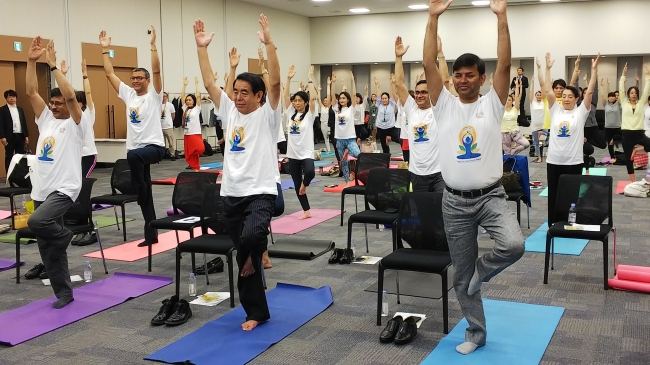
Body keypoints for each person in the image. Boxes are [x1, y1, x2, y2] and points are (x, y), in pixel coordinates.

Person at [423, 0, 524, 355]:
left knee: (514, 245)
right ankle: (476, 333)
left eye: (470, 75)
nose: (463, 80)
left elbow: (506, 63)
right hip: (453, 201)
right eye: (458, 75)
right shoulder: (444, 104)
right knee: (461, 276)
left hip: (491, 196)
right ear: (453, 78)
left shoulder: (492, 104)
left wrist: (501, 17)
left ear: (482, 79)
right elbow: (426, 64)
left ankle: (483, 268)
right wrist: (432, 18)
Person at [195, 14, 280, 331]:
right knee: (244, 250)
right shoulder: (229, 110)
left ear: (258, 96)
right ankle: (256, 311)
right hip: (230, 192)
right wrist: (201, 48)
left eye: (245, 92)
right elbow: (208, 82)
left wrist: (269, 44)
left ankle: (250, 259)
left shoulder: (269, 115)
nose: (239, 97)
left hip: (260, 191)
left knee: (251, 237)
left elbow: (274, 82)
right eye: (237, 91)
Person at [25, 37, 86, 309]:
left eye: (59, 102)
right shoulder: (46, 119)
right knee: (47, 247)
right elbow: (30, 93)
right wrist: (30, 61)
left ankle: (64, 235)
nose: (55, 106)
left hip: (65, 188)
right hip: (41, 188)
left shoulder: (76, 124)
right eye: (53, 102)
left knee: (38, 222)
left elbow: (72, 96)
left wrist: (52, 66)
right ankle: (64, 293)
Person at [100, 27, 167, 247]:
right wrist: (105, 50)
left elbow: (157, 71)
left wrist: (153, 46)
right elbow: (109, 74)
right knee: (145, 195)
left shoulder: (154, 96)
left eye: (140, 78)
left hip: (154, 147)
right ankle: (151, 234)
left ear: (147, 80)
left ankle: (138, 190)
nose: (135, 81)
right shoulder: (129, 94)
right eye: (133, 78)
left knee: (135, 160)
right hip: (136, 152)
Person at [544, 52, 599, 225]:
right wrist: (547, 68)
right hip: (554, 160)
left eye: (570, 96)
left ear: (577, 99)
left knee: (572, 195)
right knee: (553, 194)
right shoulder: (556, 110)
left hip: (573, 162)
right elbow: (547, 90)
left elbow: (589, 92)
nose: (566, 98)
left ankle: (570, 222)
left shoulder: (580, 112)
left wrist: (594, 71)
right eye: (564, 96)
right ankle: (553, 223)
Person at [394, 36, 444, 192]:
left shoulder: (438, 109)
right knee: (423, 212)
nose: (419, 95)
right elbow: (399, 83)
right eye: (417, 92)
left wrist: (440, 53)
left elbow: (443, 80)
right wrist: (398, 58)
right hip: (417, 173)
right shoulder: (411, 108)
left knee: (441, 211)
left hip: (439, 173)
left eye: (424, 92)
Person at [284, 65, 316, 220]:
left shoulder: (309, 115)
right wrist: (288, 79)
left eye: (299, 101)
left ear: (305, 102)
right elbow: (285, 98)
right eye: (295, 100)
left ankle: (305, 185)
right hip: (293, 154)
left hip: (306, 152)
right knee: (296, 182)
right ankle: (306, 210)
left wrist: (310, 77)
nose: (296, 103)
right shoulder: (291, 113)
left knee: (310, 172)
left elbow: (314, 98)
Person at [619, 62, 650, 182]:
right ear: (628, 94)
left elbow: (647, 90)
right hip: (627, 133)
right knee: (628, 159)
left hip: (639, 133)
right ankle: (633, 181)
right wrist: (623, 75)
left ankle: (636, 150)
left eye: (636, 93)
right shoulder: (624, 102)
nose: (634, 95)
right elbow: (621, 89)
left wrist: (648, 76)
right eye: (631, 93)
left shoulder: (641, 103)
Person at [330, 71, 361, 185]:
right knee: (343, 162)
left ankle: (358, 174)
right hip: (340, 139)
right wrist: (333, 83)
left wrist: (352, 81)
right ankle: (347, 181)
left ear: (348, 100)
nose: (341, 100)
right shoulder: (337, 109)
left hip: (350, 139)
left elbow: (353, 94)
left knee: (359, 155)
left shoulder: (351, 109)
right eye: (340, 98)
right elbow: (332, 96)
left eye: (344, 98)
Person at [0, 89, 29, 174]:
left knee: (20, 156)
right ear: (6, 98)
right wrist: (2, 136)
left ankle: (20, 175)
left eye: (13, 97)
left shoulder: (20, 109)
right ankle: (9, 175)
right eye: (9, 97)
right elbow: (1, 124)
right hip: (9, 136)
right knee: (9, 156)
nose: (12, 99)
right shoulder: (2, 110)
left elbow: (24, 122)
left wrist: (26, 135)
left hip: (20, 135)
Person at [181, 76, 204, 171]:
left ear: (194, 101)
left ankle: (195, 166)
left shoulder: (197, 108)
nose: (188, 101)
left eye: (190, 100)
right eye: (187, 100)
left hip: (195, 133)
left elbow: (198, 96)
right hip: (187, 134)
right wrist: (184, 85)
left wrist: (197, 84)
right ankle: (196, 168)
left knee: (200, 149)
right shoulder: (185, 108)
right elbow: (182, 96)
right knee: (190, 154)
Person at [501, 78, 530, 155]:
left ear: (512, 101)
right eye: (506, 100)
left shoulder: (515, 108)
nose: (507, 101)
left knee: (526, 143)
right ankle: (509, 163)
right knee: (507, 154)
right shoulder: (501, 110)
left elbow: (517, 97)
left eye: (509, 100)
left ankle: (513, 152)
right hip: (504, 133)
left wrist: (517, 86)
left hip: (514, 132)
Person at [374, 78, 400, 154]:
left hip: (390, 127)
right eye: (383, 99)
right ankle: (386, 159)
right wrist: (376, 85)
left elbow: (393, 93)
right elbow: (378, 95)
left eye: (385, 98)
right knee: (384, 146)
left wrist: (392, 83)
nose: (384, 100)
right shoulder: (379, 105)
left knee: (398, 139)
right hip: (381, 127)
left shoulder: (392, 104)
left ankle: (389, 138)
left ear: (388, 99)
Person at [600, 79, 621, 162]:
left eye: (613, 96)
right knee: (610, 144)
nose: (611, 97)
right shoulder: (606, 104)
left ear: (615, 98)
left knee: (621, 137)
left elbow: (622, 93)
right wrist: (602, 86)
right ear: (608, 98)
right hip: (608, 127)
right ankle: (612, 157)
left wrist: (622, 83)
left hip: (617, 127)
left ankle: (614, 140)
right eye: (610, 96)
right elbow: (602, 95)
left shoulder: (618, 104)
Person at [161, 92, 176, 161]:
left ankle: (172, 154)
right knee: (161, 142)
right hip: (160, 127)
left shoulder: (170, 105)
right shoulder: (158, 105)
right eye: (162, 96)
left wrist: (170, 122)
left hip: (168, 126)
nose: (163, 98)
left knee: (171, 142)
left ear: (167, 97)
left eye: (165, 96)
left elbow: (173, 115)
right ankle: (161, 155)